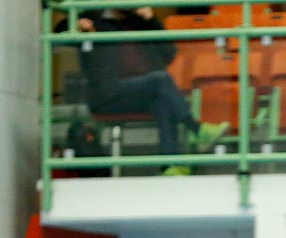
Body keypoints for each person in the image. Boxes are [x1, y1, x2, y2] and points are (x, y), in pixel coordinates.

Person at [67, 7, 228, 175]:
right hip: (107, 95)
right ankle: (195, 128)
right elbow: (60, 27)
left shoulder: (140, 22)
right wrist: (75, 25)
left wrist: (151, 21)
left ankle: (170, 165)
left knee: (163, 101)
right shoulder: (96, 21)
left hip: (140, 93)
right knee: (161, 79)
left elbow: (169, 54)